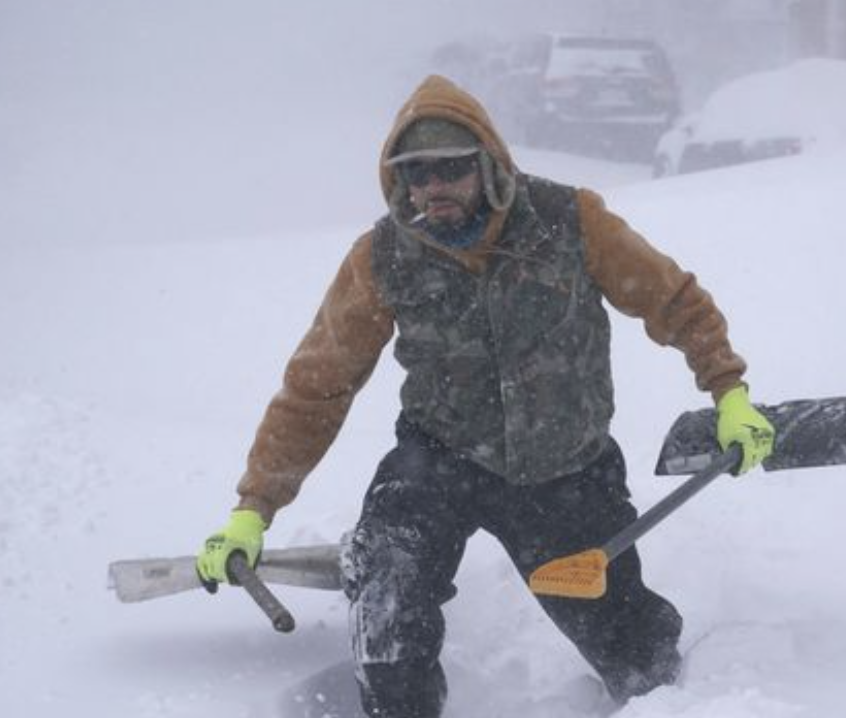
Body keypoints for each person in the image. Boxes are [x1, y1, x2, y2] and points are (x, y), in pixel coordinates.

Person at [195, 75, 775, 717]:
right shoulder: (383, 255)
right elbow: (316, 387)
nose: (433, 187)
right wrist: (254, 508)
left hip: (565, 469)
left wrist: (730, 393)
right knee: (388, 594)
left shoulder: (570, 222)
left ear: (488, 164)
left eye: (450, 168)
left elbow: (675, 301)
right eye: (415, 174)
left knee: (633, 650)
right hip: (437, 459)